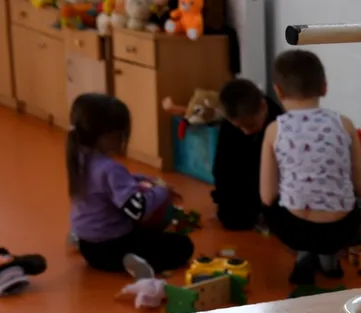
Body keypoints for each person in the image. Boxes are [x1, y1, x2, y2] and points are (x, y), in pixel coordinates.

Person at [260, 49, 361, 286]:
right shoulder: (345, 124)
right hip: (342, 229)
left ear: (278, 91)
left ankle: (304, 256)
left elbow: (267, 196)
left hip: (295, 229)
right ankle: (329, 261)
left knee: (271, 201)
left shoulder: (274, 130)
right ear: (324, 87)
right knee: (348, 201)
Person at [67, 93, 194, 277]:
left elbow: (104, 184)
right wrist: (161, 190)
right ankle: (130, 261)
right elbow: (137, 210)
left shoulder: (79, 156)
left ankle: (79, 240)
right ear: (108, 136)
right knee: (183, 246)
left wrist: (139, 178)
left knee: (149, 233)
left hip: (88, 245)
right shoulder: (110, 169)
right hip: (112, 246)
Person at [213, 78, 284, 231]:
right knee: (231, 219)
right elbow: (221, 167)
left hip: (270, 184)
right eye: (239, 127)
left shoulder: (278, 120)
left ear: (263, 107)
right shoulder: (229, 125)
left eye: (251, 125)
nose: (246, 131)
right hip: (243, 180)